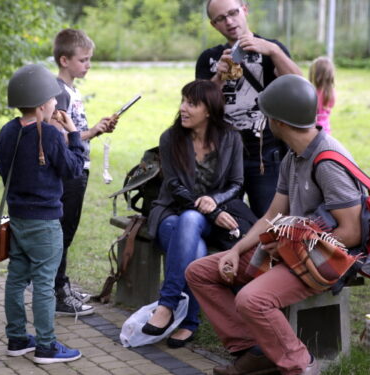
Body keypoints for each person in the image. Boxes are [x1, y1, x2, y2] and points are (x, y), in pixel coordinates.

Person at [185, 75, 363, 375]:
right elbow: (272, 216)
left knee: (252, 299)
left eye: (266, 114)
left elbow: (351, 232)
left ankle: (301, 366)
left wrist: (291, 243)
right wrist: (236, 250)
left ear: (278, 122)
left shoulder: (328, 160)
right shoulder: (292, 157)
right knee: (201, 271)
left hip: (326, 259)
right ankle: (257, 350)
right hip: (293, 249)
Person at [143, 79, 256, 349]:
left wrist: (214, 203)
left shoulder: (231, 138)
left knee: (193, 224)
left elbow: (237, 184)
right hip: (172, 211)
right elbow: (172, 184)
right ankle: (186, 319)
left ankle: (168, 307)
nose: (183, 108)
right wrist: (203, 205)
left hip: (214, 216)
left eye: (192, 103)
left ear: (209, 110)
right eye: (182, 101)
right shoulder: (170, 138)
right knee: (192, 227)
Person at [0, 63, 86, 364]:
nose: (55, 106)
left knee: (16, 278)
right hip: (46, 222)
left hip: (18, 216)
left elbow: (2, 170)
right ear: (41, 104)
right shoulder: (49, 134)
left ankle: (17, 338)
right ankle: (47, 346)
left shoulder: (7, 131)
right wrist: (73, 132)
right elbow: (73, 169)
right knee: (44, 285)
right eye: (52, 101)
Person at [196, 0, 302, 218]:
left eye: (233, 13)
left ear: (245, 10)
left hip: (266, 156)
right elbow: (200, 107)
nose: (229, 21)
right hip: (222, 155)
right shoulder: (208, 59)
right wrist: (218, 77)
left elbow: (299, 88)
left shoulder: (271, 48)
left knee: (271, 222)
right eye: (221, 18)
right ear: (213, 25)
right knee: (224, 222)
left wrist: (273, 51)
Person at [50, 28, 118, 316]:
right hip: (70, 173)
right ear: (64, 60)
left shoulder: (71, 90)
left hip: (79, 169)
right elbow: (60, 136)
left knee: (68, 232)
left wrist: (95, 130)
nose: (88, 65)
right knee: (63, 234)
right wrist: (92, 132)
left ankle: (61, 285)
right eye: (84, 60)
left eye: (90, 60)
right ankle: (58, 294)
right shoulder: (59, 93)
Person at [309, 56, 336, 134]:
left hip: (312, 129)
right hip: (326, 129)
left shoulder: (311, 91)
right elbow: (331, 106)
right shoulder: (331, 92)